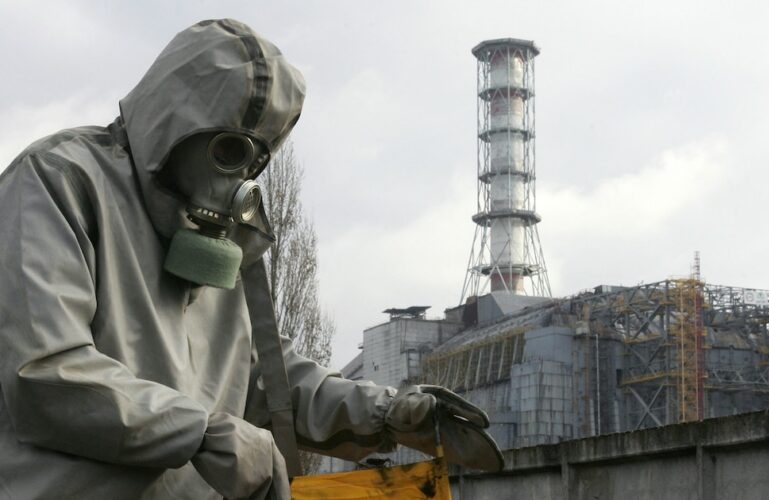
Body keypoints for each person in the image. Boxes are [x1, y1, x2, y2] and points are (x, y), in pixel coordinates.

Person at [0, 18, 502, 500]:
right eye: (228, 150)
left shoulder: (216, 239)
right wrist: (199, 432)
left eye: (257, 157)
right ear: (172, 124)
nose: (239, 175)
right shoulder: (58, 182)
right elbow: (45, 373)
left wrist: (386, 412)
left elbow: (267, 380)